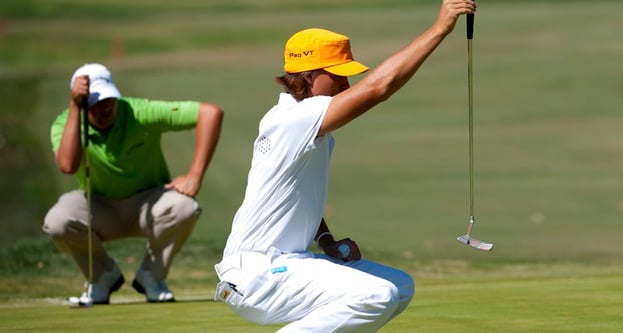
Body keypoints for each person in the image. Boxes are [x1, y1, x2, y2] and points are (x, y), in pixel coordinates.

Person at [214, 0, 476, 331]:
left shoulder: (307, 126)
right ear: (309, 77)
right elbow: (378, 88)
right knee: (376, 295)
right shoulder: (293, 119)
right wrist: (439, 29)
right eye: (338, 77)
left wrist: (325, 240)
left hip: (283, 265)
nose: (346, 87)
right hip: (259, 272)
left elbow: (295, 194)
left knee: (399, 288)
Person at [44, 63, 224, 304]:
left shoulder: (136, 111)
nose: (105, 109)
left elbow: (210, 113)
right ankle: (102, 276)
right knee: (57, 221)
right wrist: (76, 107)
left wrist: (195, 174)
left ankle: (152, 276)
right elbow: (67, 165)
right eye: (96, 104)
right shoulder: (66, 123)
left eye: (109, 101)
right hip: (98, 206)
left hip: (148, 203)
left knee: (185, 207)